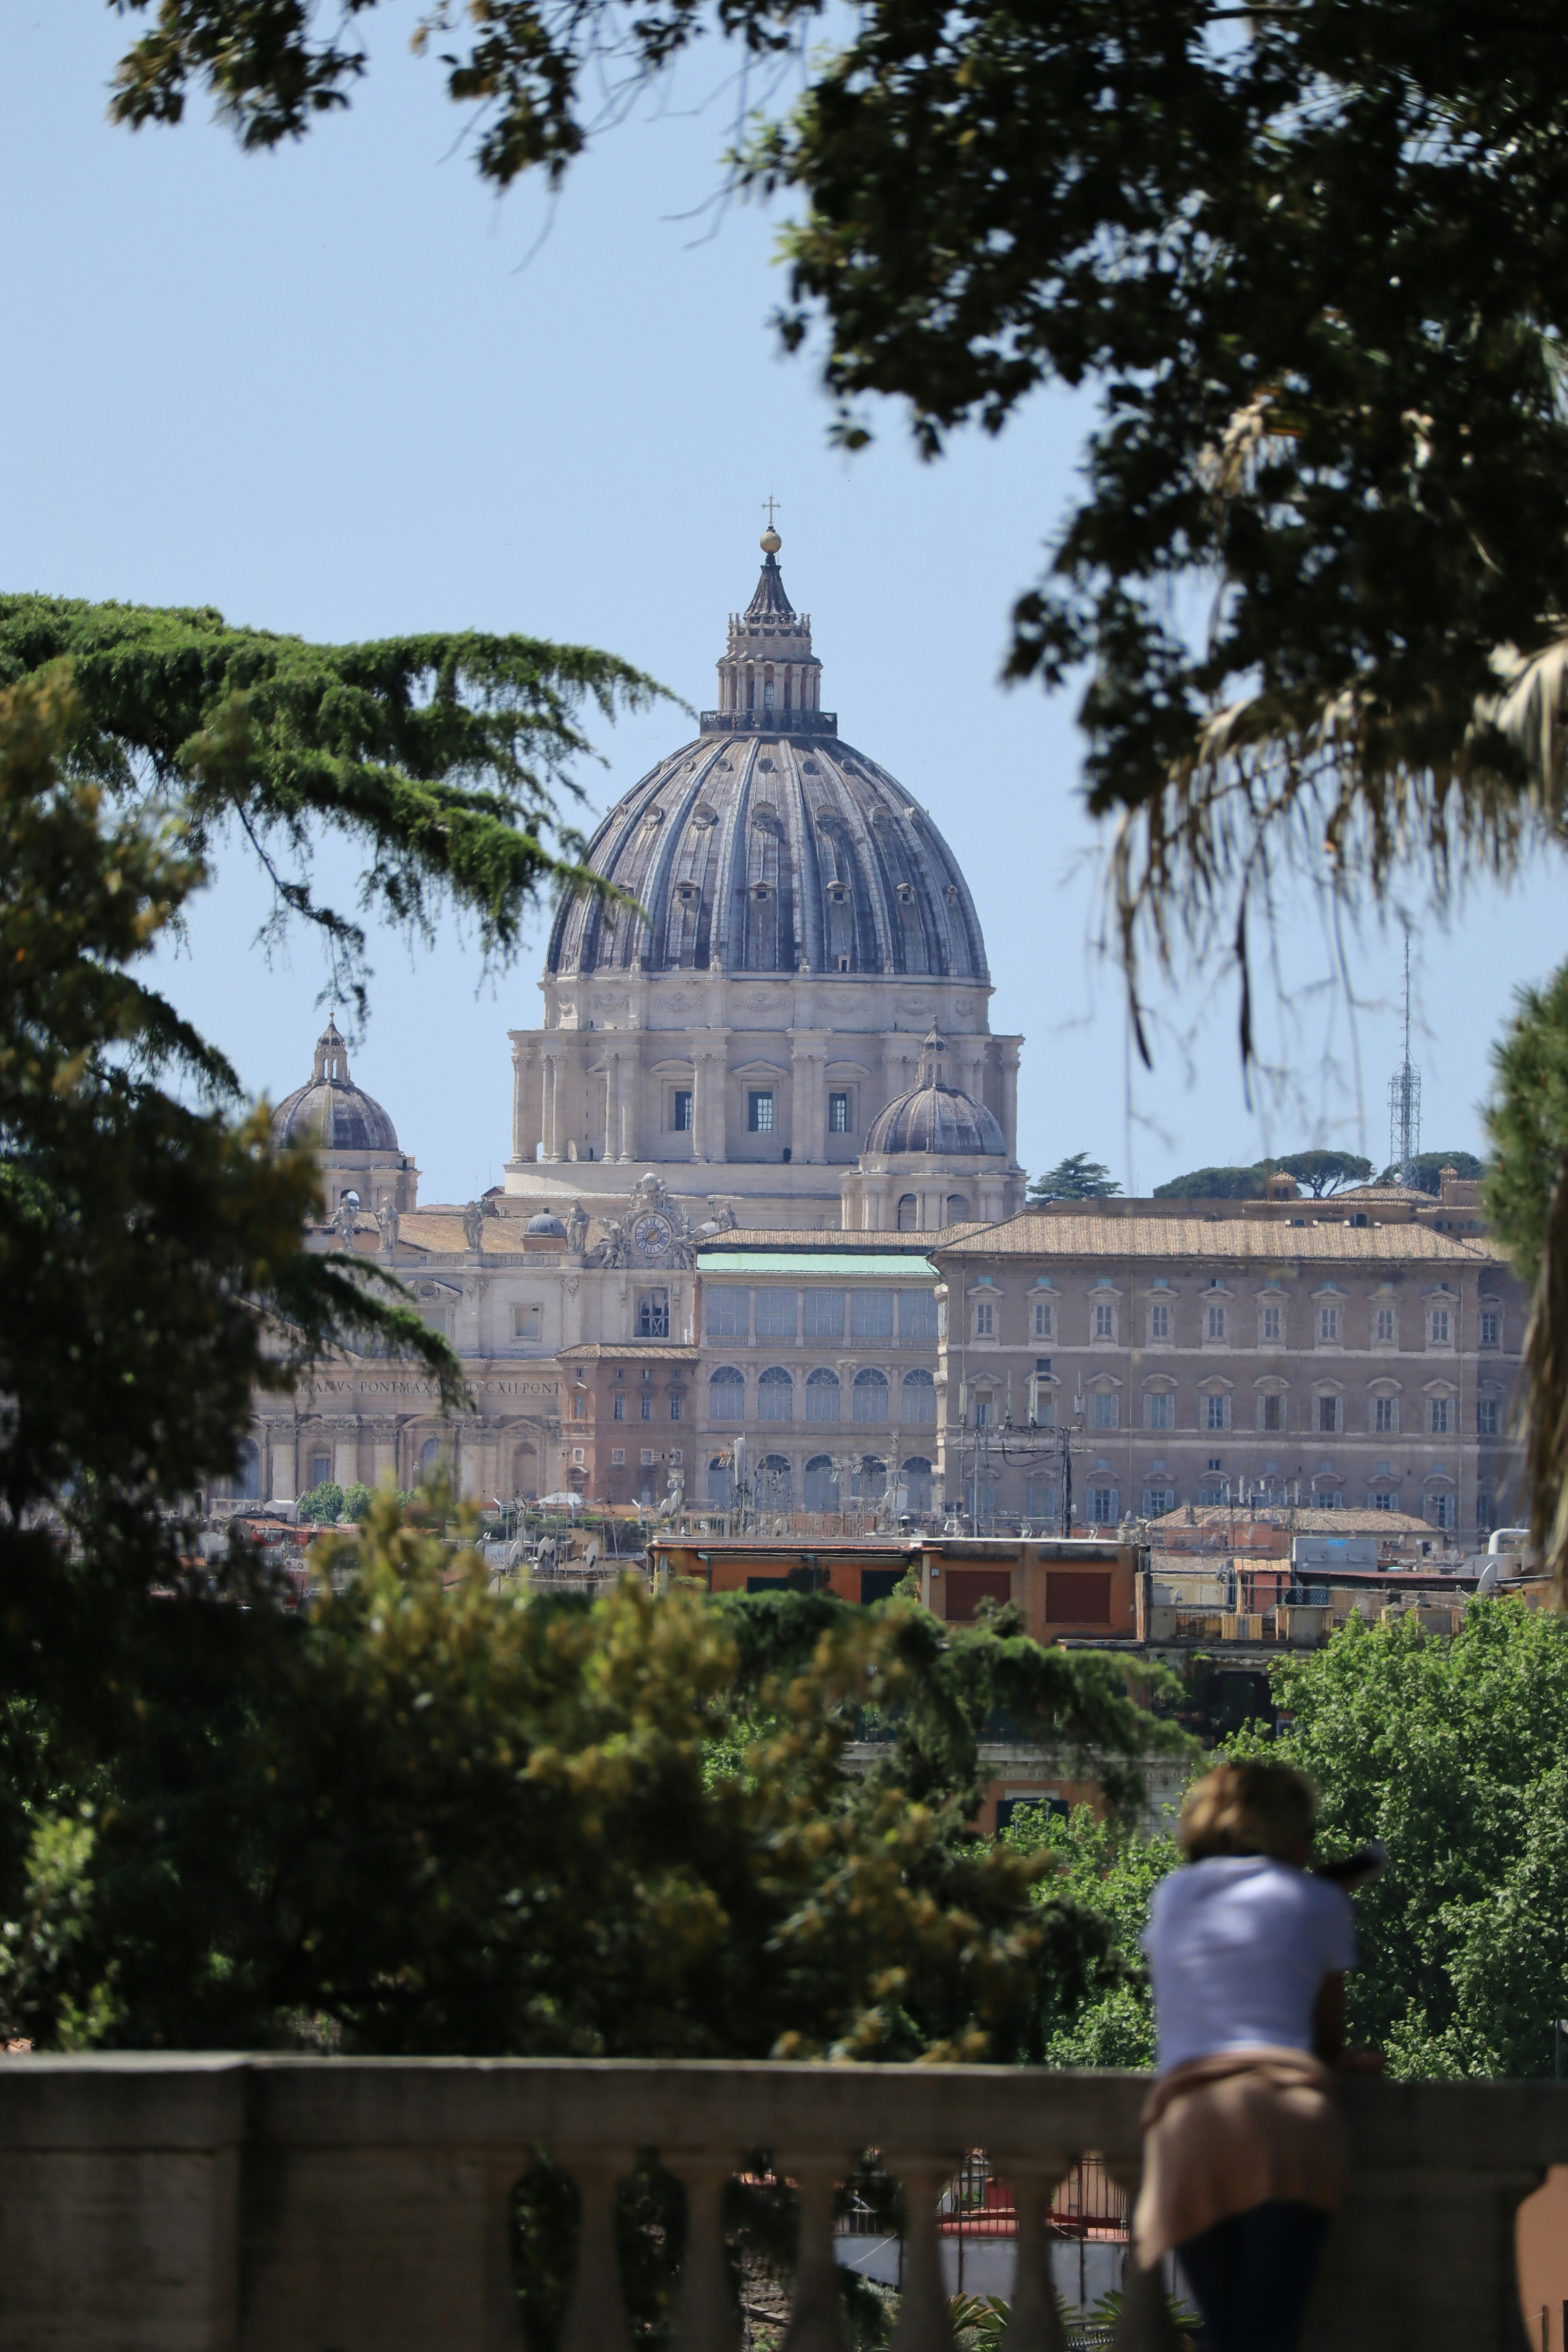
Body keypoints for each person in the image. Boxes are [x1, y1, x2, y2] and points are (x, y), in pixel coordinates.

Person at [1133, 1760, 1379, 2352]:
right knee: (1270, 2332)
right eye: (1308, 1829)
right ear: (1288, 1828)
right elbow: (1323, 2039)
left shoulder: (1172, 1896)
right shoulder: (1319, 1902)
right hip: (1283, 2123)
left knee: (1225, 2330)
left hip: (1190, 2126)